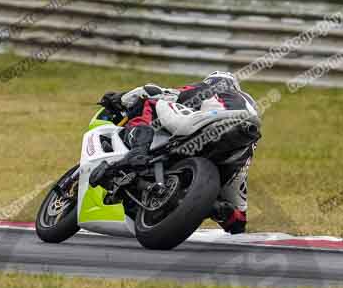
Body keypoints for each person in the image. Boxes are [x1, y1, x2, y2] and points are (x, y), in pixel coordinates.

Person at [102, 71, 258, 234]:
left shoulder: (215, 87)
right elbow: (238, 225)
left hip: (216, 122)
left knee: (152, 101)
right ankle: (215, 208)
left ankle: (137, 151)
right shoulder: (246, 103)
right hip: (242, 148)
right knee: (237, 220)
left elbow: (161, 92)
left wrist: (120, 99)